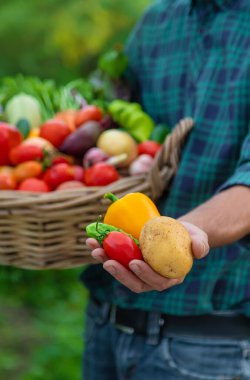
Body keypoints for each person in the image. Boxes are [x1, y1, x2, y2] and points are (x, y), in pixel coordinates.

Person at [81, 0, 250, 379]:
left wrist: (181, 232)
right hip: (105, 323)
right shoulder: (157, 23)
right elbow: (118, 133)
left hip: (210, 343)